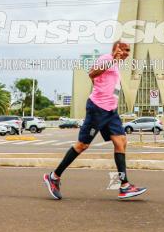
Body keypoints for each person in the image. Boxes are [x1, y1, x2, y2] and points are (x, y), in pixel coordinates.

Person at [43, 41, 147, 200]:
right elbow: (92, 74)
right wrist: (112, 60)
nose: (127, 53)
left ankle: (124, 186)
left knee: (121, 142)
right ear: (116, 49)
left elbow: (100, 81)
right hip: (98, 109)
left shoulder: (116, 64)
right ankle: (54, 177)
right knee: (82, 145)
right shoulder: (106, 59)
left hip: (111, 111)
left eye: (128, 50)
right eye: (125, 50)